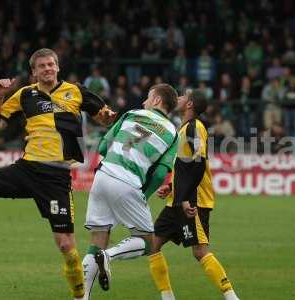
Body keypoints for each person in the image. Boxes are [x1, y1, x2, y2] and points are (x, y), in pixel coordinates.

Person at [0, 48, 116, 300]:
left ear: (58, 67)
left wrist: (107, 117)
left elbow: (104, 119)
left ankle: (80, 295)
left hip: (56, 178)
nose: (47, 69)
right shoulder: (25, 94)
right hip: (26, 168)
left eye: (51, 64)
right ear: (34, 72)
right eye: (42, 66)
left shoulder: (76, 91)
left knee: (66, 245)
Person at [82, 83, 178, 299]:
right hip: (128, 180)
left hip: (103, 175)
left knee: (97, 238)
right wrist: (145, 194)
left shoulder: (132, 114)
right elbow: (161, 173)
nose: (144, 101)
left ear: (156, 101)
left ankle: (82, 297)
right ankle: (108, 256)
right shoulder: (173, 133)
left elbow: (104, 147)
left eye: (147, 97)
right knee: (147, 241)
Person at [149, 89, 240, 300]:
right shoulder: (183, 129)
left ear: (189, 104)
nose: (178, 99)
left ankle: (232, 297)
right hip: (179, 201)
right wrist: (172, 187)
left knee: (200, 250)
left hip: (192, 201)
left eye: (182, 96)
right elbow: (185, 167)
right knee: (152, 244)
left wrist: (185, 197)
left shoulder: (195, 127)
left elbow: (198, 164)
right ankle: (167, 296)